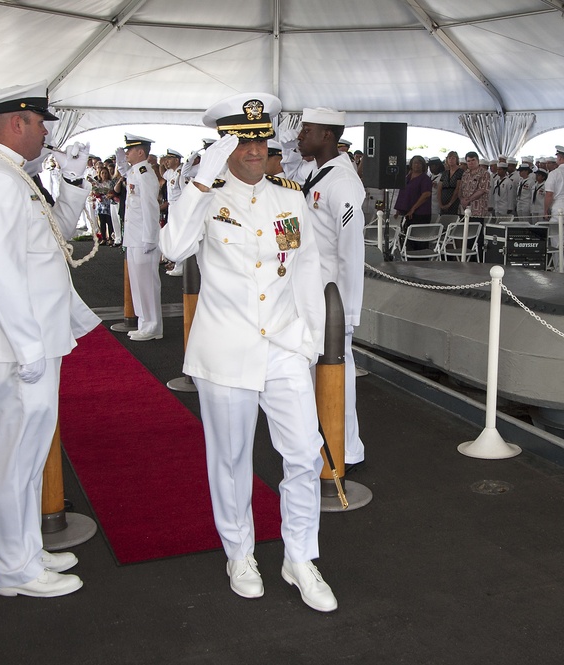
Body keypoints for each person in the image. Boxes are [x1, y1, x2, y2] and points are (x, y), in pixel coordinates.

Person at [160, 92, 337, 613]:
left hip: (283, 345)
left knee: (304, 454)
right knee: (233, 459)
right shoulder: (205, 195)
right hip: (226, 348)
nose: (255, 148)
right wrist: (197, 180)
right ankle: (239, 551)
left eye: (259, 137)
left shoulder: (289, 197)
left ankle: (300, 556)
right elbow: (171, 250)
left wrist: (309, 343)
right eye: (241, 139)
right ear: (224, 144)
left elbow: (307, 272)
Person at [0, 81, 99, 598]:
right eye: (41, 123)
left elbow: (56, 237)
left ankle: (23, 549)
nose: (46, 133)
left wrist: (75, 182)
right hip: (16, 345)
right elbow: (0, 273)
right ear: (17, 122)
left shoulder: (11, 175)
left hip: (33, 337)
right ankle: (14, 569)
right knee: (14, 454)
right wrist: (28, 347)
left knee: (28, 451)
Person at [296, 106, 367, 468]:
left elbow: (352, 250)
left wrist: (349, 311)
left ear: (327, 136)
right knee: (317, 373)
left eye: (306, 129)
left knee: (338, 373)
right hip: (313, 295)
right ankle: (327, 443)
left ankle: (346, 448)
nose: (299, 134)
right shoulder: (315, 173)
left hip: (332, 301)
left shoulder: (341, 183)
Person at [115, 134, 162, 341]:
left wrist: (151, 238)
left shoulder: (145, 173)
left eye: (129, 150)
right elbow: (125, 173)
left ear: (140, 152)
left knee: (147, 284)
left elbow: (151, 207)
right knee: (137, 283)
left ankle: (152, 326)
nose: (127, 153)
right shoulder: (135, 171)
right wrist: (119, 159)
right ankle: (144, 322)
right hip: (134, 238)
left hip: (144, 238)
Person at [394, 155, 433, 246]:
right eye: (415, 163)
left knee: (419, 241)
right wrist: (399, 209)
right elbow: (403, 194)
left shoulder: (424, 179)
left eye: (420, 163)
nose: (417, 165)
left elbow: (426, 194)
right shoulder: (407, 178)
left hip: (420, 214)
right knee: (409, 241)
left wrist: (413, 209)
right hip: (407, 213)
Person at [458, 151, 490, 224]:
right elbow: (460, 188)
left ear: (478, 161)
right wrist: (461, 199)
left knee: (476, 232)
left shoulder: (484, 173)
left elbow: (482, 190)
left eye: (473, 160)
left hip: (478, 209)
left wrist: (468, 200)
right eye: (468, 161)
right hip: (464, 208)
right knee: (464, 231)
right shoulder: (465, 173)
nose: (471, 163)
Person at [438, 151, 463, 216]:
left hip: (454, 201)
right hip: (443, 200)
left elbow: (458, 188)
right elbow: (439, 188)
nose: (451, 160)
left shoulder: (460, 172)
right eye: (449, 158)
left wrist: (450, 203)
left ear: (456, 159)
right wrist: (440, 204)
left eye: (453, 158)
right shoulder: (445, 173)